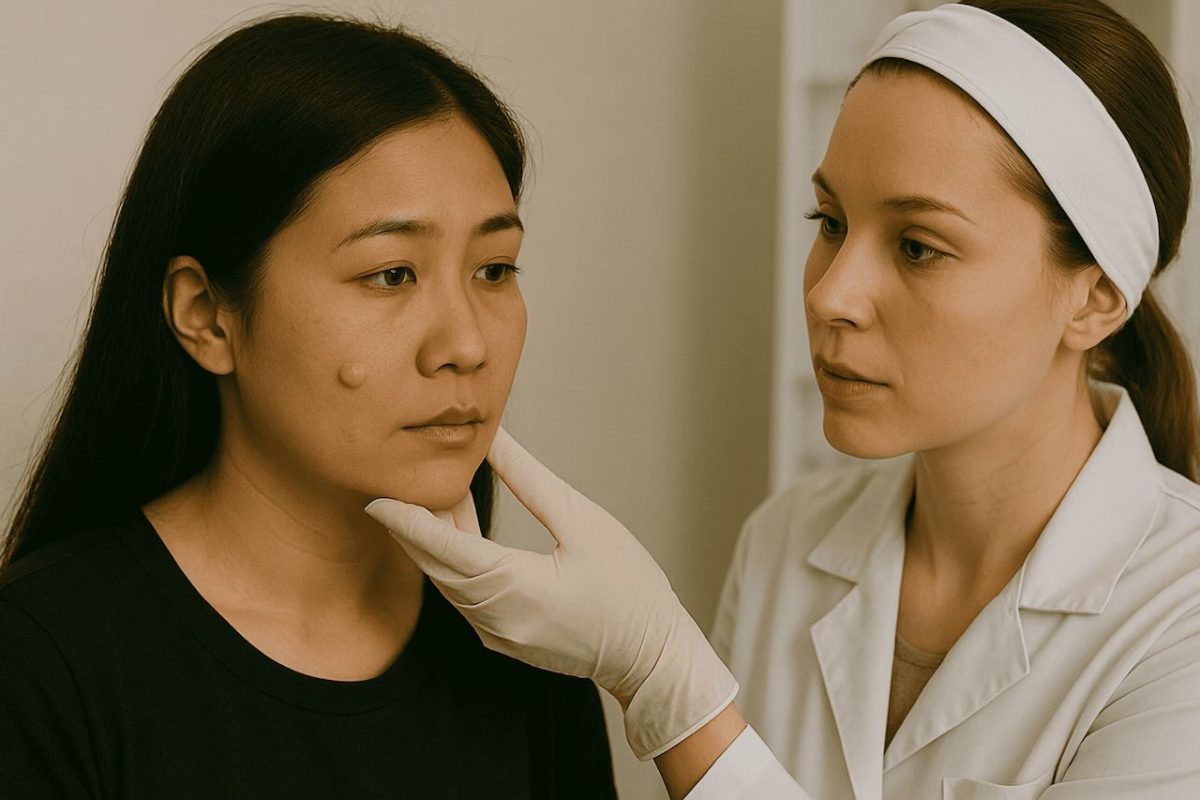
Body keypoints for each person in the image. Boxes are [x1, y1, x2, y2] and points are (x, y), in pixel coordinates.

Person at [367, 1, 1200, 797]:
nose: (832, 294)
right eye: (830, 221)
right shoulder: (785, 546)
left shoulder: (1180, 616)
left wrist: (668, 683)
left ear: (1094, 298)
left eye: (918, 247)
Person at [0, 14, 616, 799]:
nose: (466, 344)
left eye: (494, 269)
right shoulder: (40, 666)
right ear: (206, 314)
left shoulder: (530, 657)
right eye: (392, 274)